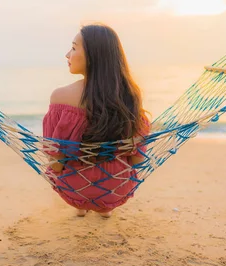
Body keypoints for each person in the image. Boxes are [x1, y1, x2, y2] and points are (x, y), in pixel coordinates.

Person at [43, 24, 150, 218]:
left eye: (74, 48)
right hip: (116, 189)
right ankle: (105, 209)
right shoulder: (130, 97)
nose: (67, 54)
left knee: (60, 169)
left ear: (93, 56)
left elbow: (56, 162)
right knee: (115, 170)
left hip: (73, 189)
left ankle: (81, 206)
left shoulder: (60, 96)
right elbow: (137, 159)